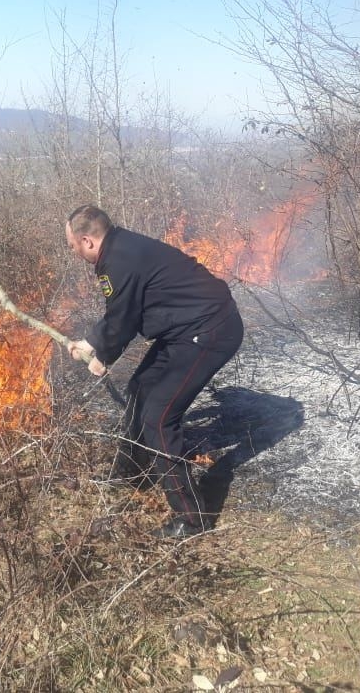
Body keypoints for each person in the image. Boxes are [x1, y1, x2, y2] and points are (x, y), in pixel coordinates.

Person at [64, 205, 244, 540]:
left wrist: (98, 351)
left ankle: (192, 520)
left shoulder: (118, 259)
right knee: (141, 388)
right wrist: (95, 347)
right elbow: (124, 313)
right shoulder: (120, 248)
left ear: (87, 241)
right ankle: (132, 473)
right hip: (188, 329)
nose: (73, 252)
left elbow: (121, 319)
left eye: (72, 245)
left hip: (210, 331)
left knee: (160, 418)